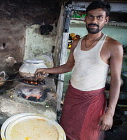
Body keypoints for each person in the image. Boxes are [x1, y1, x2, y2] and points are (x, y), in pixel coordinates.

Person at [35, 1, 123, 140]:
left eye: (99, 17)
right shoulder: (76, 43)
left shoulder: (113, 46)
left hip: (93, 99)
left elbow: (116, 81)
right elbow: (68, 66)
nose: (94, 21)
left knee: (88, 135)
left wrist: (110, 112)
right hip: (72, 95)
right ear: (85, 18)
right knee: (66, 131)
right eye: (90, 16)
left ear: (106, 20)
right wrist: (46, 70)